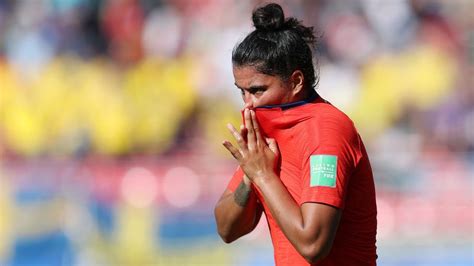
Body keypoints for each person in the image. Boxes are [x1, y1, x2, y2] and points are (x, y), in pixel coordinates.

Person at [214, 3, 377, 266]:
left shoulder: (327, 131)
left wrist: (263, 175)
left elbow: (313, 244)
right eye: (241, 91)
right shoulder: (266, 128)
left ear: (296, 81)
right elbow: (226, 229)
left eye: (257, 90)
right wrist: (249, 177)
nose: (248, 103)